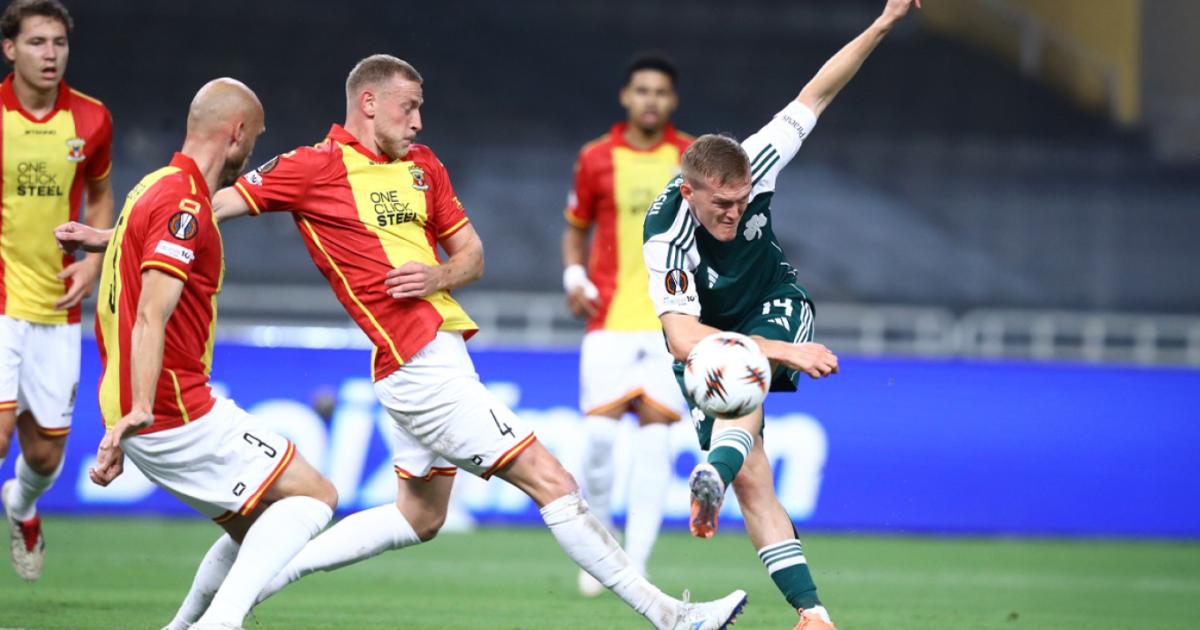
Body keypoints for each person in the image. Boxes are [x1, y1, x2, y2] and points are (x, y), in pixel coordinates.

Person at [54, 54, 746, 629]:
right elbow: (205, 208)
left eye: (421, 110)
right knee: (552, 480)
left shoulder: (424, 166)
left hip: (431, 355)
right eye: (408, 108)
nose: (418, 122)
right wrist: (119, 236)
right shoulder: (311, 167)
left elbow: (473, 254)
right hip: (420, 366)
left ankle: (252, 584)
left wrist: (438, 274)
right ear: (368, 103)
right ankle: (670, 617)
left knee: (419, 517)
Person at [641, 2, 920, 628]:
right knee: (754, 480)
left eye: (742, 201)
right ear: (688, 191)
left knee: (746, 384)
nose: (734, 213)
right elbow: (682, 337)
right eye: (721, 204)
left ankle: (713, 469)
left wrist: (882, 23)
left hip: (774, 303)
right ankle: (812, 613)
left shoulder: (758, 157)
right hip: (710, 339)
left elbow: (816, 94)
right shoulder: (666, 234)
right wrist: (785, 353)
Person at [57, 78, 338, 630]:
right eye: (254, 139)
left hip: (139, 409)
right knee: (315, 498)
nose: (251, 152)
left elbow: (147, 241)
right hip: (172, 408)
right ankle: (219, 623)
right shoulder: (184, 202)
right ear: (236, 133)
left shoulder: (156, 186)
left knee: (258, 532)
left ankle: (182, 627)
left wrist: (102, 238)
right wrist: (142, 409)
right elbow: (150, 314)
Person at [561, 52, 693, 596]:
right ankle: (603, 548)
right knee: (597, 439)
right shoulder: (595, 157)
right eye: (642, 90)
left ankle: (635, 562)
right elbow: (576, 226)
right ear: (625, 96)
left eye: (660, 92)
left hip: (672, 321)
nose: (650, 100)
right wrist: (573, 275)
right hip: (609, 319)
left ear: (673, 100)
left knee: (656, 442)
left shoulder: (693, 157)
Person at [0, 0, 113, 581]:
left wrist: (93, 263)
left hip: (56, 306)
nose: (51, 54)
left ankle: (21, 507)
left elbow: (99, 194)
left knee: (44, 457)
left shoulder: (91, 119)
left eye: (59, 43)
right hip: (1, 299)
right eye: (37, 42)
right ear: (9, 49)